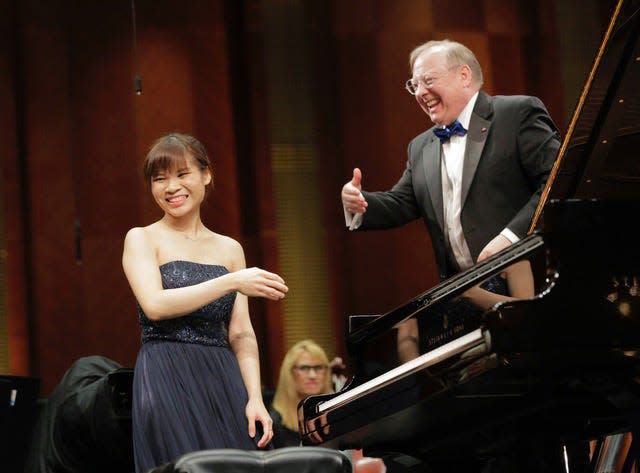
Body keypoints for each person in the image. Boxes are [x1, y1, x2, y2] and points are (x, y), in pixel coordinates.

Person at [340, 39, 562, 472]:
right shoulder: (421, 146)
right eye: (413, 84)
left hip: (529, 298)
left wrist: (511, 235)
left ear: (464, 75)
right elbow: (402, 204)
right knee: (480, 438)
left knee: (532, 430)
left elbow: (555, 181)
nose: (419, 91)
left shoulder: (515, 113)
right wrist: (360, 204)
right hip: (467, 310)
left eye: (427, 79)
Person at [122, 133, 289, 473]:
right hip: (165, 372)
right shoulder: (142, 238)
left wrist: (255, 397)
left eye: (182, 174)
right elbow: (155, 305)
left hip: (223, 376)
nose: (171, 187)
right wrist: (231, 281)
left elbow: (241, 333)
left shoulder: (229, 249)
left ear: (206, 175)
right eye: (160, 179)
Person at [269, 339, 334, 448]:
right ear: (289, 373)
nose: (313, 375)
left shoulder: (334, 414)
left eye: (318, 368)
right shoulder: (273, 422)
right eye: (304, 368)